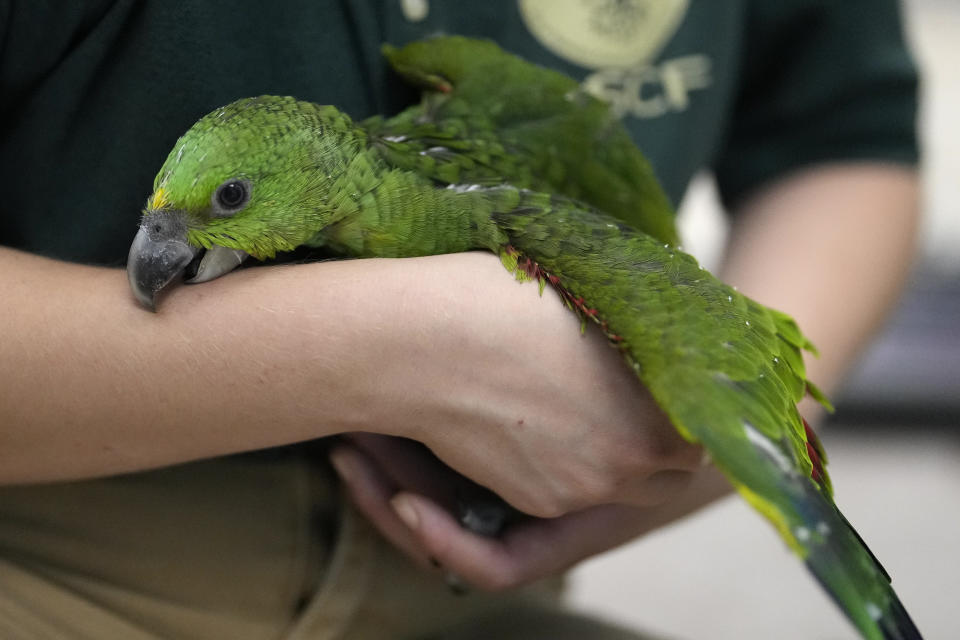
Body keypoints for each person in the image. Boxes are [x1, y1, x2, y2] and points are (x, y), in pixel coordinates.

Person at [0, 1, 919, 638]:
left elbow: (840, 132)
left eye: (225, 201)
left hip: (481, 599)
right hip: (48, 573)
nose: (161, 243)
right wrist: (396, 346)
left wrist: (693, 449)